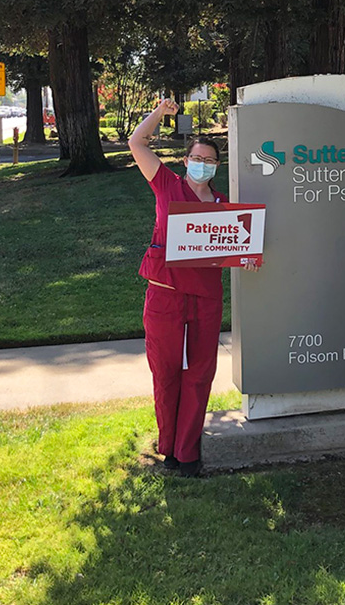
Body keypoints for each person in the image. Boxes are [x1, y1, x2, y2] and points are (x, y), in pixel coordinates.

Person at [129, 99, 257, 478]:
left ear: (216, 166)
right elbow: (137, 143)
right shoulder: (166, 184)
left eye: (210, 160)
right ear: (186, 161)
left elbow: (235, 247)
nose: (203, 164)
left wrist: (247, 256)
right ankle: (167, 445)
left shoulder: (223, 206)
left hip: (205, 297)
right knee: (165, 370)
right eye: (196, 158)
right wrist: (159, 113)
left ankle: (188, 452)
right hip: (165, 293)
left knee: (200, 373)